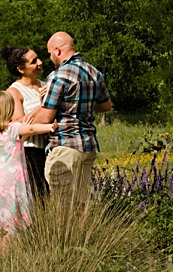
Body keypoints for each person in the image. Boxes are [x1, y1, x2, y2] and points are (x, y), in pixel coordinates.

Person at [27, 31, 112, 206]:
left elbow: (46, 117)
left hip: (65, 145)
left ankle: (66, 235)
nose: (50, 57)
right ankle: (83, 234)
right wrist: (81, 103)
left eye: (50, 53)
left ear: (57, 51)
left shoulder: (58, 76)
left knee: (63, 203)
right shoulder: (94, 72)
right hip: (88, 145)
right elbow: (105, 106)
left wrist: (21, 125)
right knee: (81, 202)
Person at [0, 90, 34, 251]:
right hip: (13, 182)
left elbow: (20, 138)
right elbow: (32, 129)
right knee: (13, 226)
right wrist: (51, 126)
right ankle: (9, 259)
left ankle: (1, 261)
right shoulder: (13, 128)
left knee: (1, 228)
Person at [2, 44, 51, 201]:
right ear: (21, 69)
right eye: (33, 61)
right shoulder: (14, 91)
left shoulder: (46, 85)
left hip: (51, 148)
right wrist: (42, 105)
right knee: (38, 198)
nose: (40, 62)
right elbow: (18, 124)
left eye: (38, 58)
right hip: (30, 152)